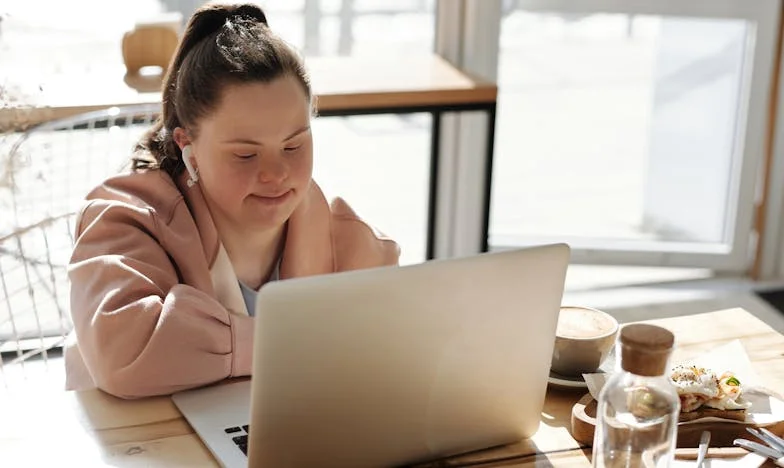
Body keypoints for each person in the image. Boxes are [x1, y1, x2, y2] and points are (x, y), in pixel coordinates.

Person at [65, 3, 400, 399]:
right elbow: (123, 353)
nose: (275, 174)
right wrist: (296, 344)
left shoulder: (349, 240)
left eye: (293, 145)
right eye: (246, 154)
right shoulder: (125, 219)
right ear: (188, 146)